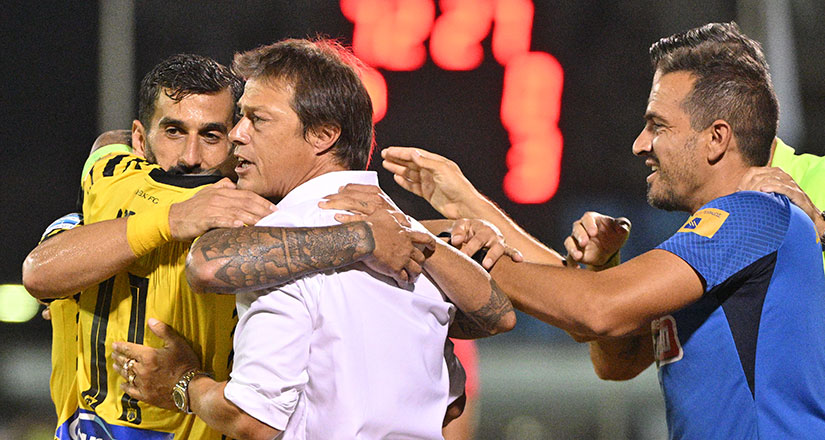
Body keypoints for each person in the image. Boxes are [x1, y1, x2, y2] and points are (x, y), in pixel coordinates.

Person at [381, 22, 825, 438]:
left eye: (657, 125)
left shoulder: (753, 213)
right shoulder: (715, 243)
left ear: (717, 138)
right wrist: (470, 212)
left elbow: (598, 308)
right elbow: (616, 353)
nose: (640, 144)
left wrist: (442, 250)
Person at [110, 38, 515, 440]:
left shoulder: (278, 244)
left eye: (257, 119)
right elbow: (456, 393)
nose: (236, 134)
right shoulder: (410, 239)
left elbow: (252, 419)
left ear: (323, 135)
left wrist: (183, 383)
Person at [23, 53, 433, 439]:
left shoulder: (260, 213)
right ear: (141, 140)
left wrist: (440, 227)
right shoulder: (111, 186)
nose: (190, 156)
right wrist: (172, 219)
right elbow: (39, 273)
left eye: (211, 135)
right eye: (173, 131)